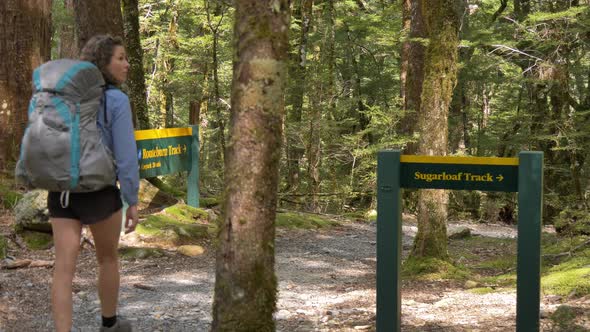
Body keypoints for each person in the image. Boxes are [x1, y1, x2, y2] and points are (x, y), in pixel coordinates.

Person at [48, 35, 139, 332]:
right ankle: (109, 324)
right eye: (121, 58)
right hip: (100, 191)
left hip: (62, 192)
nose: (127, 64)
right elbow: (125, 157)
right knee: (107, 259)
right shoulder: (115, 100)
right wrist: (132, 199)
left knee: (63, 269)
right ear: (104, 63)